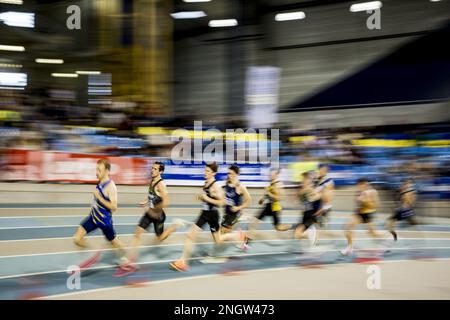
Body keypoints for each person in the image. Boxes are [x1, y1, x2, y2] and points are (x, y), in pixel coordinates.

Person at [116, 162, 186, 275]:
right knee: (137, 232)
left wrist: (155, 209)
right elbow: (152, 196)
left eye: (155, 169)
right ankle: (129, 260)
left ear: (161, 171)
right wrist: (146, 202)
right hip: (149, 213)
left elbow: (167, 201)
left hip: (158, 216)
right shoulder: (152, 180)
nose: (152, 170)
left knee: (160, 238)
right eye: (152, 168)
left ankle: (175, 225)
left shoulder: (161, 184)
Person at [170, 162, 225, 271]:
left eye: (208, 171)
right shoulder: (206, 183)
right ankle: (183, 262)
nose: (205, 173)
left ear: (214, 173)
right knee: (190, 235)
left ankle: (236, 236)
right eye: (205, 170)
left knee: (218, 240)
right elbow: (206, 197)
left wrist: (206, 198)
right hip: (204, 214)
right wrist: (201, 197)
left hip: (212, 215)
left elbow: (221, 202)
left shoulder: (215, 186)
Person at [73, 158, 127, 269]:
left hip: (104, 222)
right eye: (96, 169)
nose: (96, 173)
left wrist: (98, 197)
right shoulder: (101, 181)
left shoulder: (111, 186)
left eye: (99, 170)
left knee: (115, 242)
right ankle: (92, 253)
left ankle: (125, 257)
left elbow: (114, 206)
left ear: (107, 171)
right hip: (93, 218)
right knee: (77, 238)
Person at [341, 178, 380, 256]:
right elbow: (359, 205)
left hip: (369, 214)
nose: (359, 187)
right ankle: (350, 247)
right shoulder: (359, 192)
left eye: (363, 185)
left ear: (365, 184)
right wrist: (359, 202)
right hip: (359, 213)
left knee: (373, 234)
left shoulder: (373, 192)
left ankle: (385, 240)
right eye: (359, 185)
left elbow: (376, 206)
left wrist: (365, 202)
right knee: (347, 227)